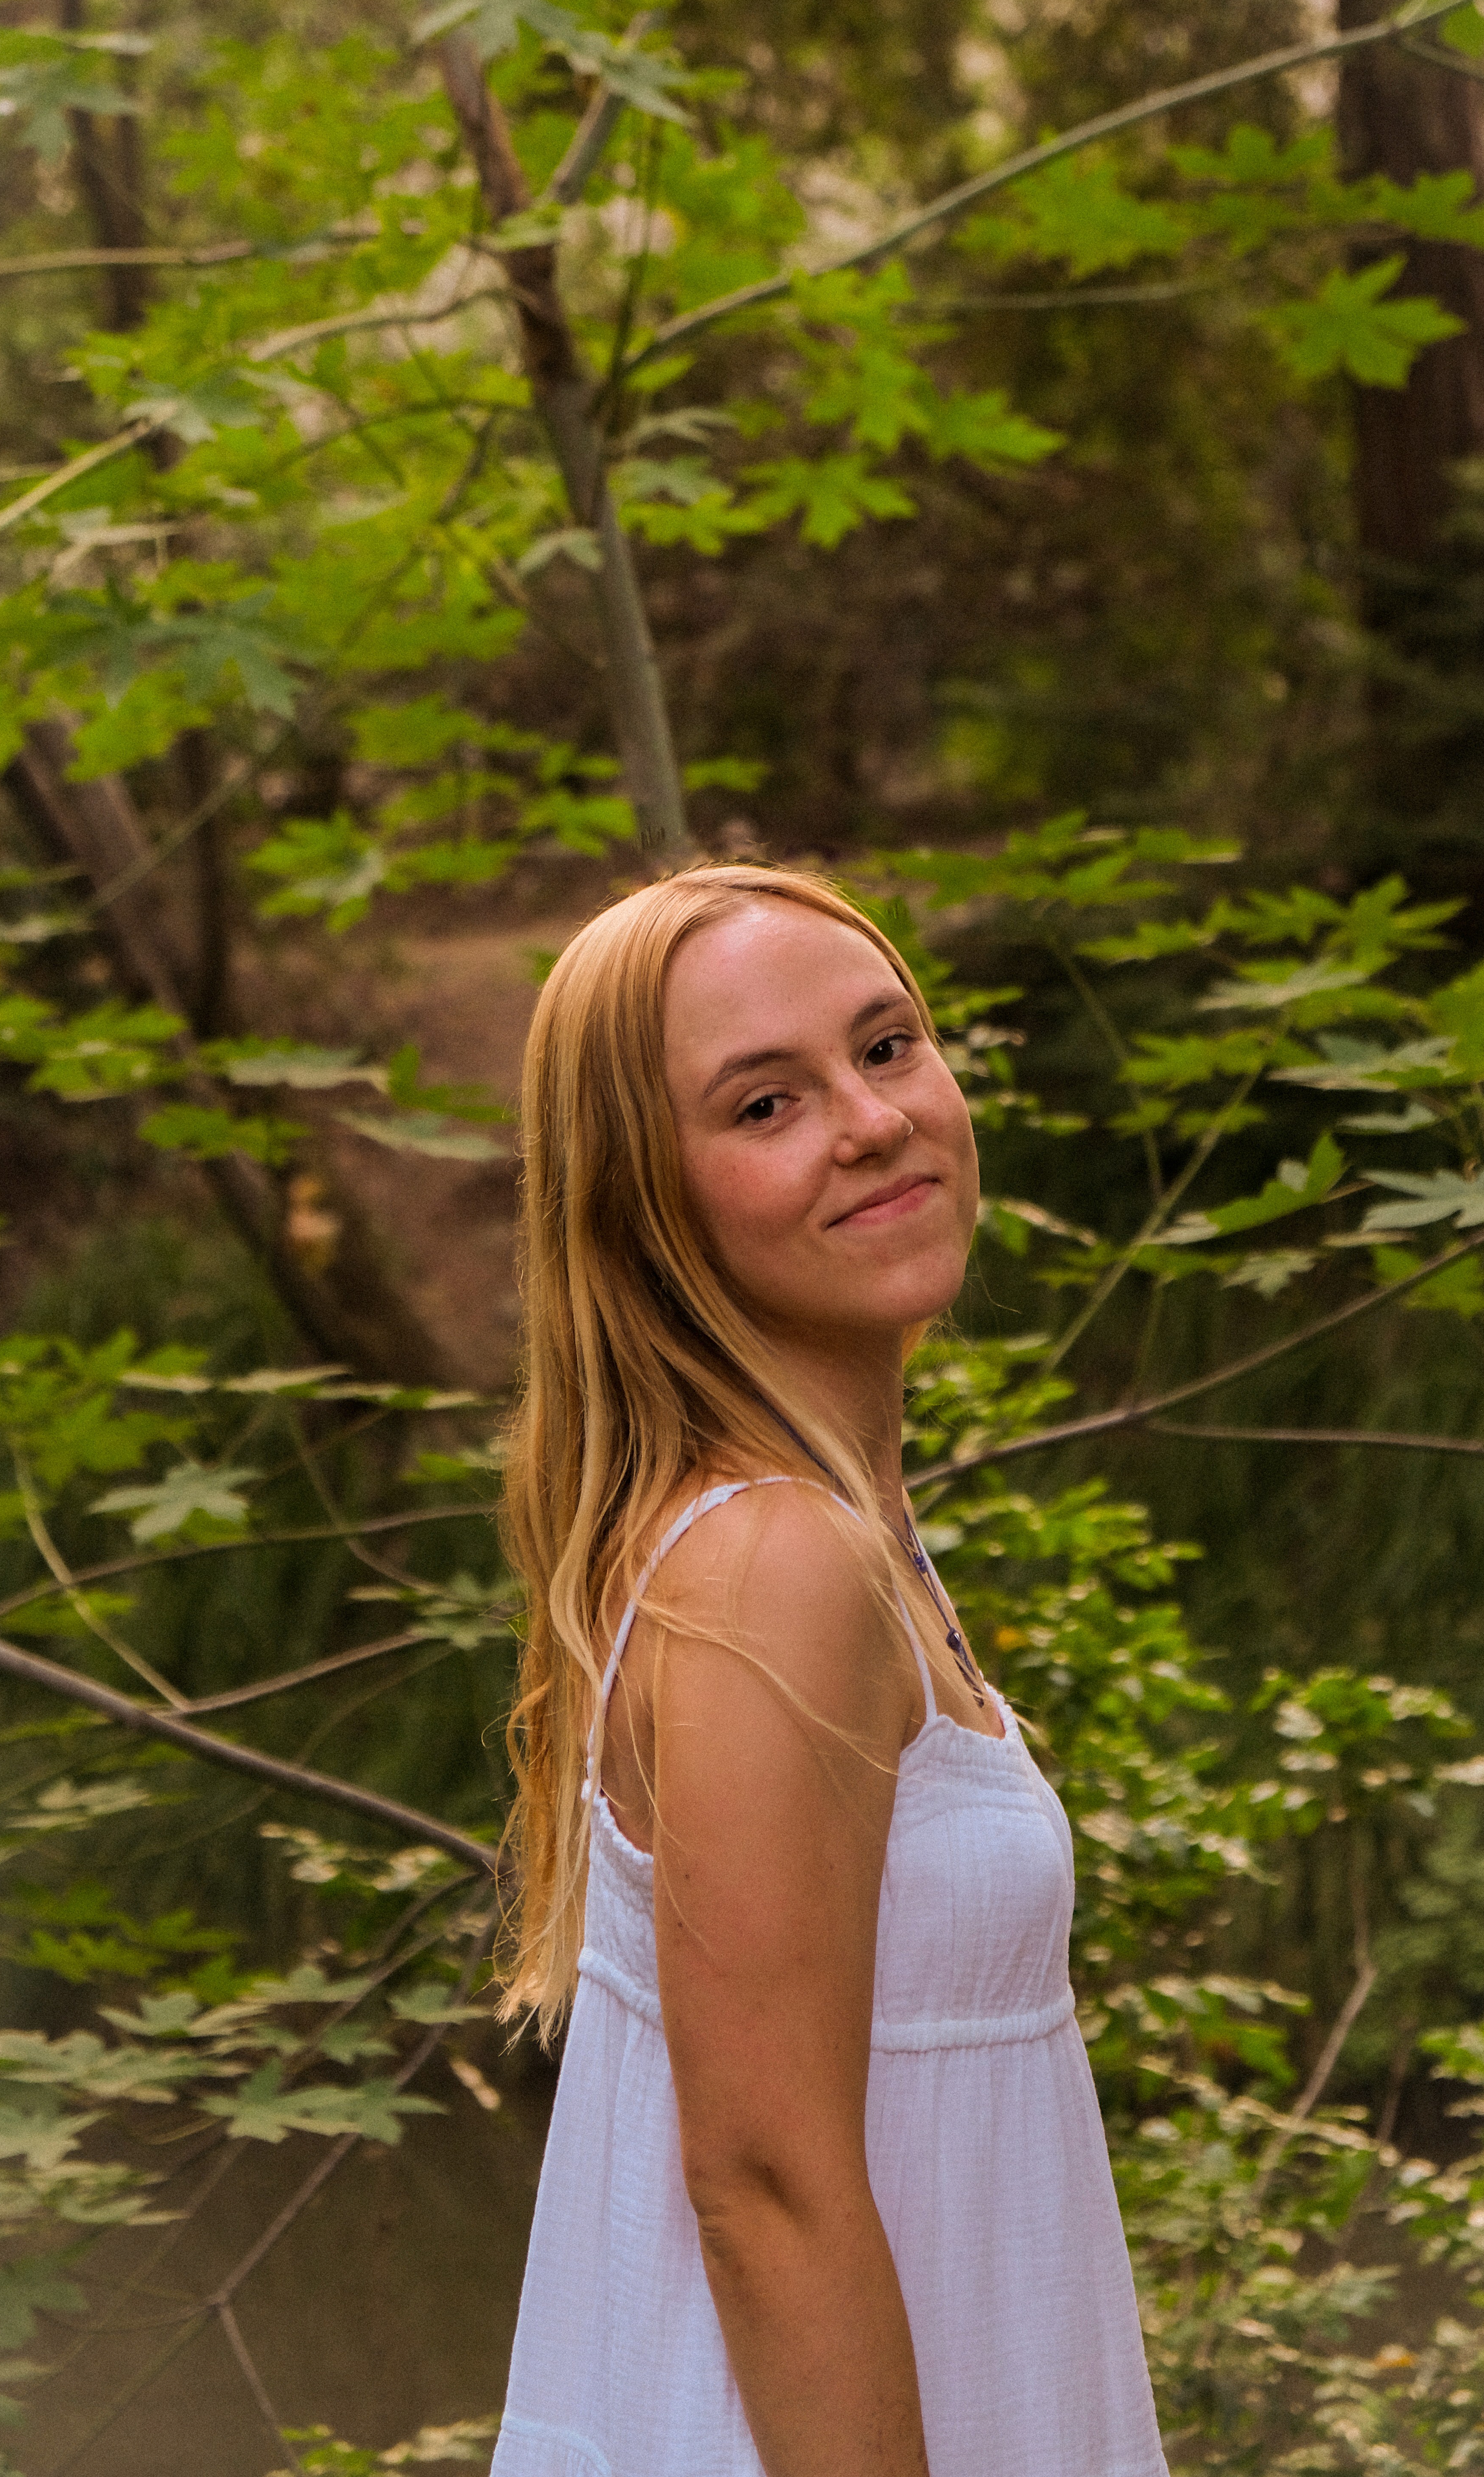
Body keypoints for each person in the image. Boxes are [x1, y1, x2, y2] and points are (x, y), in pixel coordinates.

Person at [489, 864, 1168, 2477]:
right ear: (643, 1205)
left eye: (885, 1047)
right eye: (766, 1104)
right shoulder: (771, 1562)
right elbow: (765, 2187)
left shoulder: (814, 1528)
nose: (872, 1123)